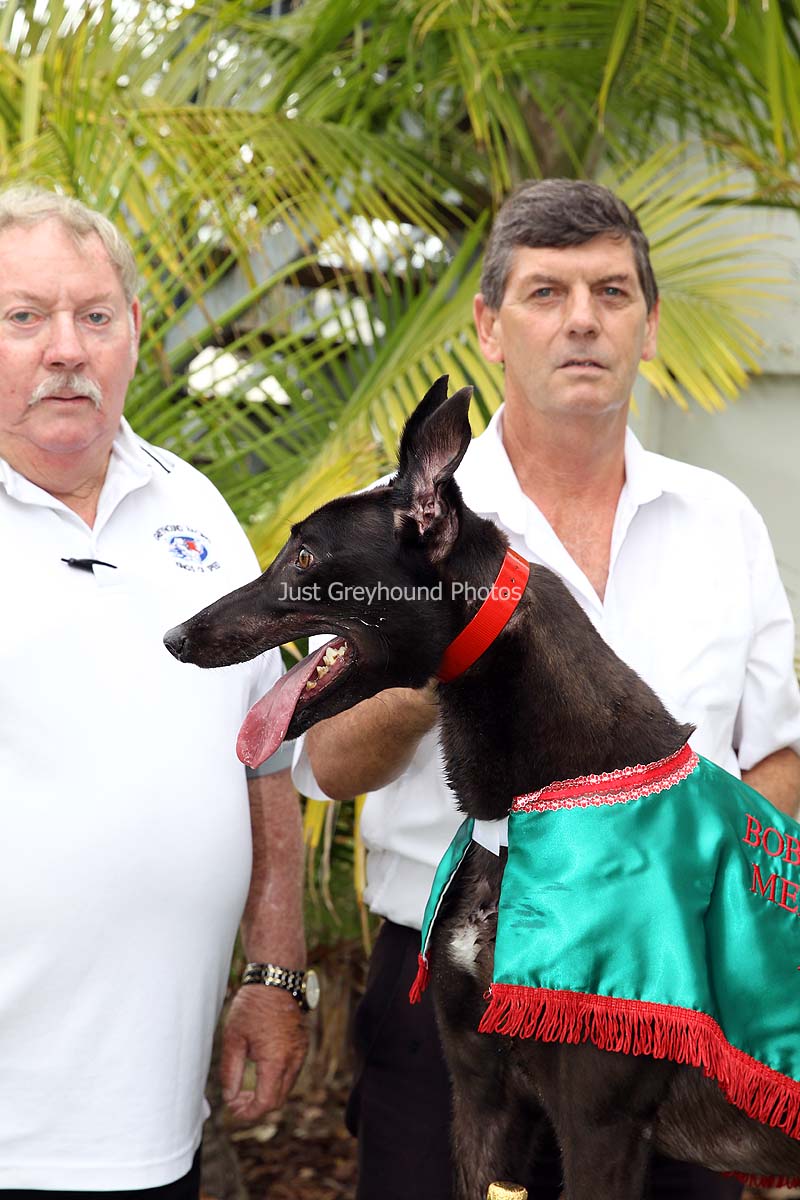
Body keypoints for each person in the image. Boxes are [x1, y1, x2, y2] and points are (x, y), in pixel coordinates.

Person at [292, 179, 800, 1200]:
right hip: (452, 990)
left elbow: (775, 759)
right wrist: (442, 649)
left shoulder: (721, 520)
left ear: (649, 326)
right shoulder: (393, 533)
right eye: (544, 293)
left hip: (660, 998)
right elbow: (329, 765)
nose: (581, 320)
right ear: (488, 327)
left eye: (611, 292)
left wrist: (710, 925)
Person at [0, 186, 311, 1197]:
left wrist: (274, 973)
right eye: (24, 317)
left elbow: (263, 752)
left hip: (151, 1120)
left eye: (94, 316)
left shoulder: (196, 506)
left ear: (135, 330)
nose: (66, 349)